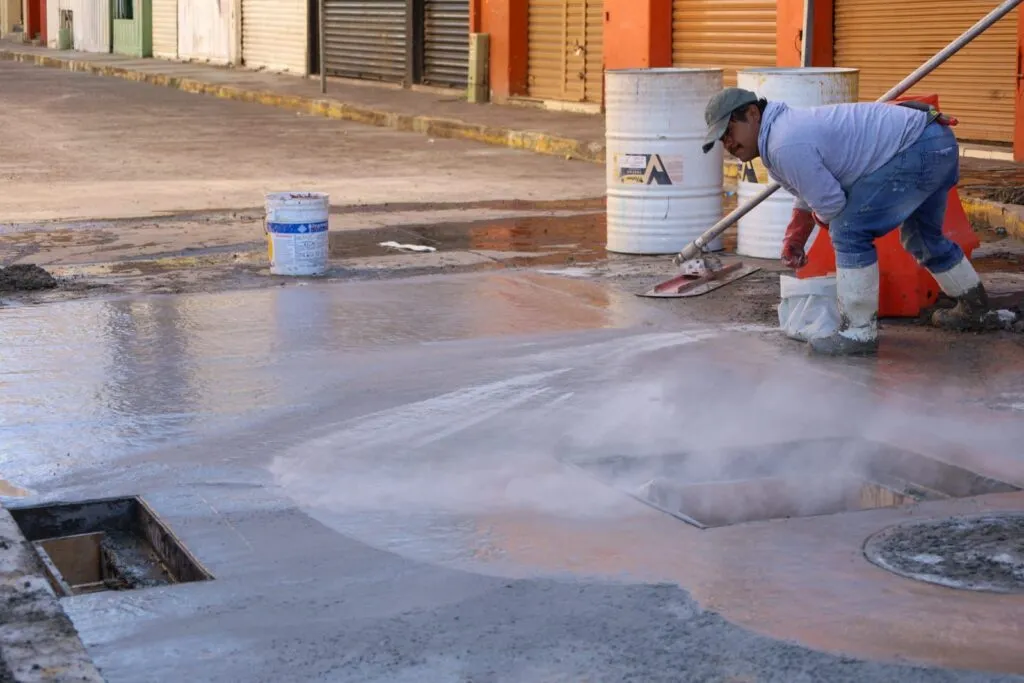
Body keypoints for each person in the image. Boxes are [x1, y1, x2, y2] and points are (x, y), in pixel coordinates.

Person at [700, 87, 998, 356]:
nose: (727, 143)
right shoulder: (780, 137)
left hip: (918, 147)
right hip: (936, 141)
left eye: (728, 131)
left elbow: (830, 204)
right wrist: (796, 236)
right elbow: (810, 192)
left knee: (850, 230)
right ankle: (975, 309)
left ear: (752, 114)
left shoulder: (782, 143)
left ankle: (858, 332)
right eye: (720, 139)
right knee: (922, 237)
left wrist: (825, 221)